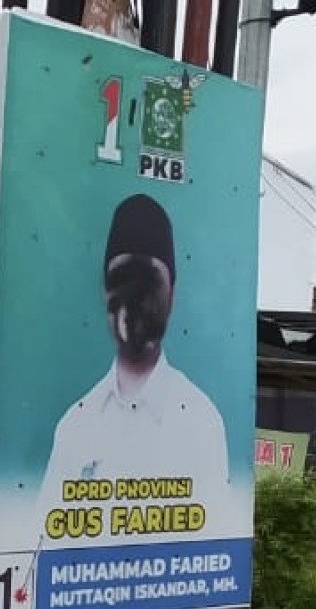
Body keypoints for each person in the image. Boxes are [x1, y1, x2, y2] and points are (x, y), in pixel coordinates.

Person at [38, 193, 229, 517]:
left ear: (173, 293)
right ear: (104, 293)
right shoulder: (75, 426)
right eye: (123, 280)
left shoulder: (200, 420)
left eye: (149, 282)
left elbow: (216, 537)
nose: (135, 301)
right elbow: (42, 540)